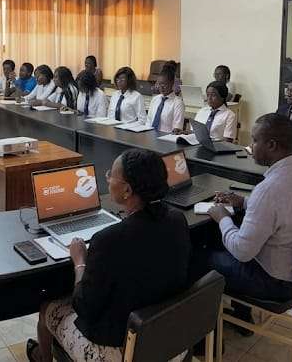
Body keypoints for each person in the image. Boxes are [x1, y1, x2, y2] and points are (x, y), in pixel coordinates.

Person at [28, 149, 190, 360]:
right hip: (167, 338)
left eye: (111, 175)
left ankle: (42, 356)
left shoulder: (108, 240)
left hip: (121, 349)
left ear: (127, 190)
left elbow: (84, 307)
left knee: (47, 307)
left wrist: (79, 262)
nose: (107, 179)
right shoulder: (177, 220)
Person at [192, 114, 292, 333]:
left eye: (254, 141)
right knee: (220, 237)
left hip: (274, 283)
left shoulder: (269, 190)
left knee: (198, 255)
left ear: (272, 145)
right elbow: (283, 211)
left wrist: (222, 217)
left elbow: (242, 252)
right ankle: (242, 318)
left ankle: (204, 338)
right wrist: (244, 201)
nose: (250, 146)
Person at [147, 66, 184, 134]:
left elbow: (177, 128)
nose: (161, 87)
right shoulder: (155, 99)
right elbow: (149, 121)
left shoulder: (178, 102)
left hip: (166, 138)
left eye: (164, 84)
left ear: (172, 83)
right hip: (150, 134)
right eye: (159, 84)